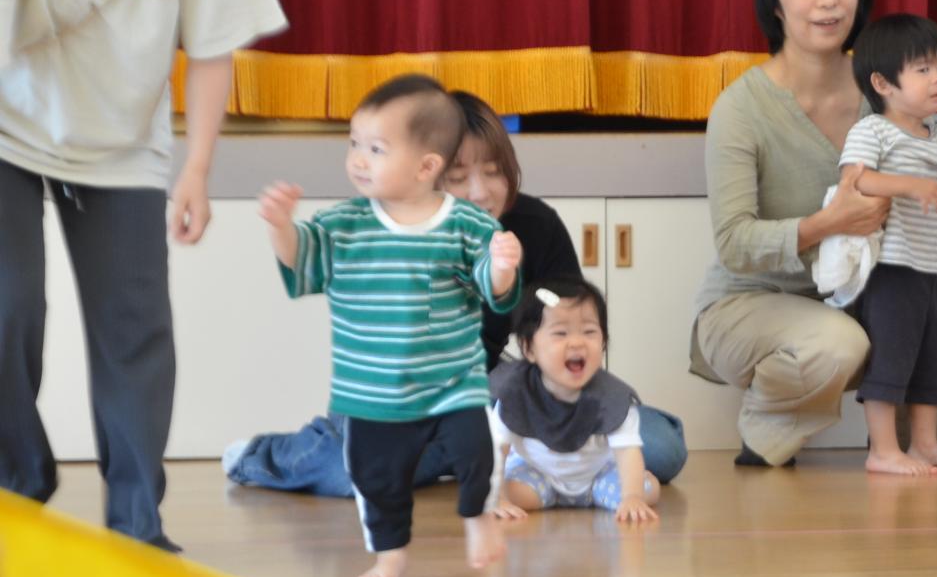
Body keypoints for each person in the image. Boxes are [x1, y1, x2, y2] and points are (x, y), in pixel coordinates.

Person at [0, 0, 288, 549]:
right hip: (10, 127)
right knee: (6, 303)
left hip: (121, 139)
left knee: (136, 331)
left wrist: (196, 167)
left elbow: (213, 42)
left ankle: (137, 527)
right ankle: (16, 481)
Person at [225, 90, 688, 493]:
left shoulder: (534, 227)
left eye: (493, 172)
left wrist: (539, 305)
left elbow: (565, 319)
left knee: (661, 449)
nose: (481, 192)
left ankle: (479, 459)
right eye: (458, 177)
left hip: (500, 391)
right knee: (355, 474)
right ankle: (266, 455)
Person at [691, 0, 937, 467]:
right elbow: (735, 242)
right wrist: (830, 222)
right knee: (838, 341)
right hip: (754, 302)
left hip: (864, 289)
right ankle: (768, 428)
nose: (828, 0)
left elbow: (925, 212)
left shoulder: (883, 86)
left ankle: (930, 439)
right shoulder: (740, 108)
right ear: (776, 4)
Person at [260, 75, 521, 577]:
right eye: (354, 144)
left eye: (376, 149)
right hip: (372, 391)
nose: (358, 159)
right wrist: (281, 229)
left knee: (476, 450)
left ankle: (477, 518)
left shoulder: (468, 225)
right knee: (374, 478)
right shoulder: (343, 224)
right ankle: (390, 556)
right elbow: (304, 262)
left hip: (452, 382)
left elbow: (494, 292)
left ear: (427, 166)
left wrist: (504, 266)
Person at [839, 15, 937, 476]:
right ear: (882, 82)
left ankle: (925, 443)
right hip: (891, 269)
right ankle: (882, 449)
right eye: (922, 70)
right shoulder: (873, 130)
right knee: (892, 355)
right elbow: (854, 179)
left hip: (929, 268)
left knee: (933, 357)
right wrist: (909, 185)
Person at [488, 279, 660, 522]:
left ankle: (611, 494)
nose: (577, 342)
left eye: (589, 331)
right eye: (560, 333)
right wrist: (497, 496)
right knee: (502, 493)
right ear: (529, 349)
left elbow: (627, 451)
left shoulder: (612, 397)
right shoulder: (516, 393)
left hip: (598, 477)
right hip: (537, 474)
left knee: (648, 489)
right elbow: (498, 449)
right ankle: (520, 494)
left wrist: (632, 496)